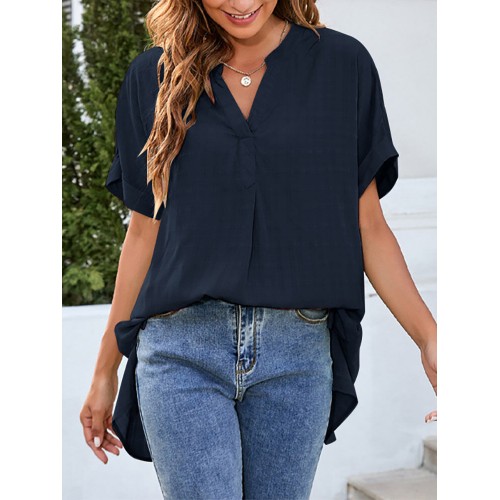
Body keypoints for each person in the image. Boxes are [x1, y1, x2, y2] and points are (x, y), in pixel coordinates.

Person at [79, 1, 437, 498]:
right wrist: (105, 370)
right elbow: (144, 232)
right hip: (182, 349)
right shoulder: (154, 76)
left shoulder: (343, 65)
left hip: (297, 355)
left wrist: (429, 338)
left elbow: (369, 227)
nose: (240, 3)